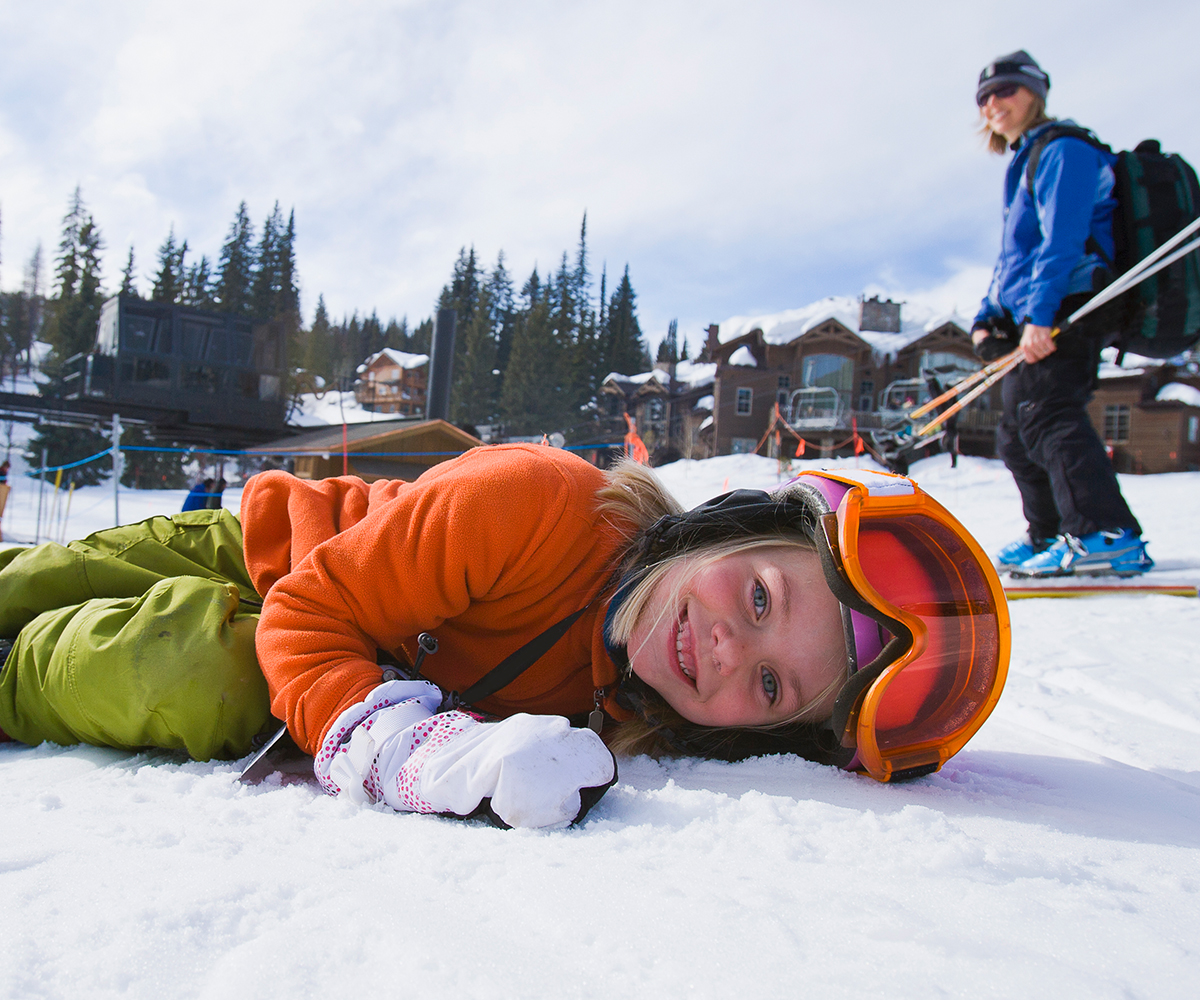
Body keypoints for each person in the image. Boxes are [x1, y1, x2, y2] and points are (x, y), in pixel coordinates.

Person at [0, 444, 1008, 828]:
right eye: (755, 600)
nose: (728, 653)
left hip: (280, 648)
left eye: (774, 688)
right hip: (264, 556)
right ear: (726, 529)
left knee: (198, 671)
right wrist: (393, 741)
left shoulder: (627, 713)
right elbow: (314, 608)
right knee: (31, 583)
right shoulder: (544, 506)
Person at [971, 50, 1152, 578]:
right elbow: (1014, 257)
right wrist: (989, 316)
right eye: (984, 98)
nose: (993, 104)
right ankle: (1051, 533)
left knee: (1049, 413)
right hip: (1036, 311)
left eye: (1005, 91)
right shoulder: (1025, 159)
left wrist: (1041, 316)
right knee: (1015, 427)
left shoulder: (1064, 150)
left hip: (1071, 303)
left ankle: (1105, 534)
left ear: (1035, 93)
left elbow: (1063, 241)